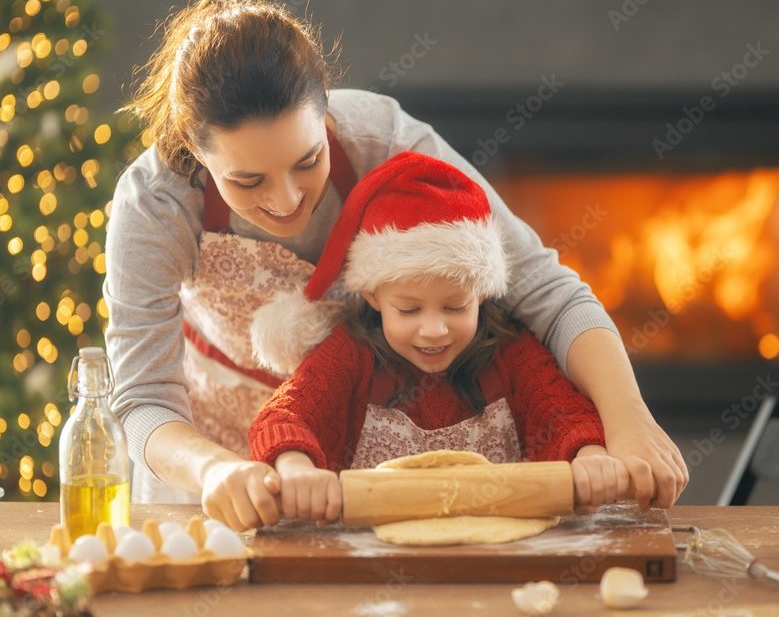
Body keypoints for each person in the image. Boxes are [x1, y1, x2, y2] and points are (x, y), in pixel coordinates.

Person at [104, 0, 686, 532]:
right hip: (202, 471)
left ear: (325, 110)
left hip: (341, 482)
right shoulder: (153, 206)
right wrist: (214, 470)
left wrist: (629, 419)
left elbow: (549, 294)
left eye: (308, 161)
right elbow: (143, 398)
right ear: (195, 151)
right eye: (247, 179)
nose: (286, 200)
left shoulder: (386, 141)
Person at [248, 151, 631, 522]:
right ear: (373, 295)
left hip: (500, 560)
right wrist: (295, 468)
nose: (434, 330)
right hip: (373, 559)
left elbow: (566, 416)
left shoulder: (512, 353)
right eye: (409, 310)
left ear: (481, 293)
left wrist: (590, 456)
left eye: (455, 307)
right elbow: (282, 418)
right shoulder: (349, 355)